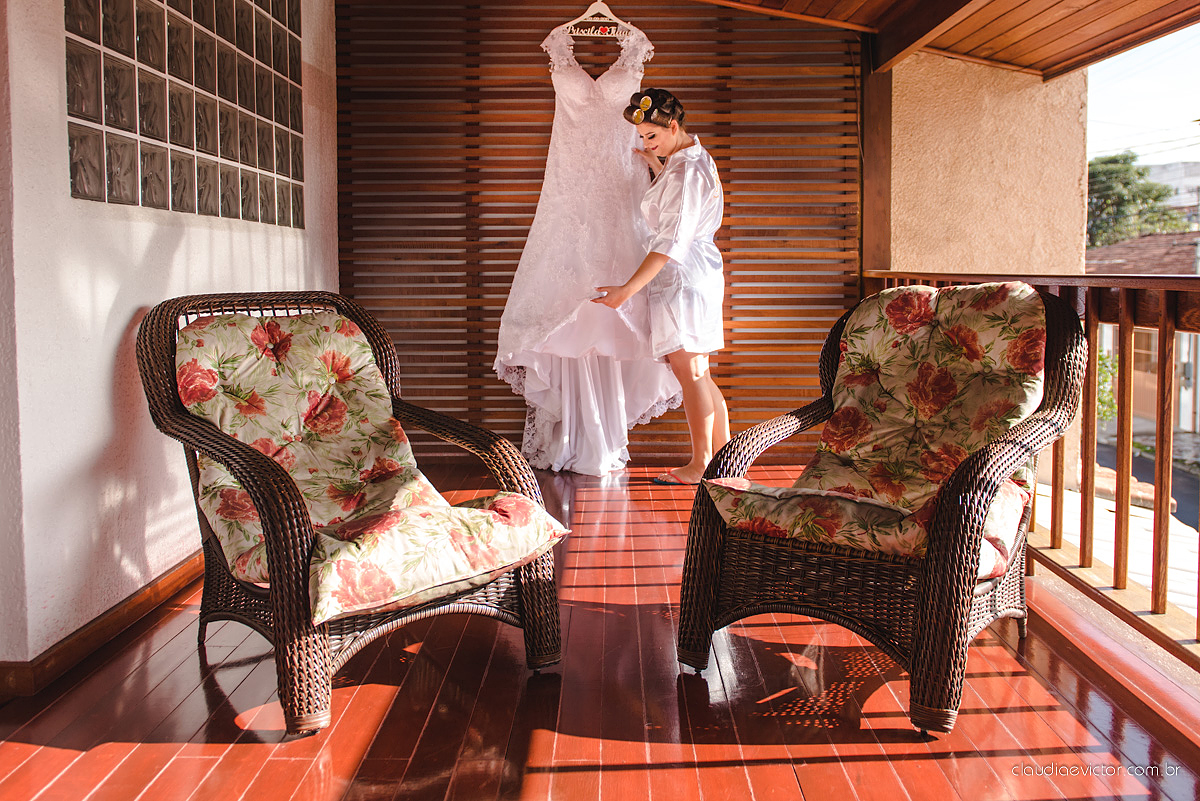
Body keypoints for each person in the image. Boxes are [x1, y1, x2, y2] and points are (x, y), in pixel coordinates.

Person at [593, 88, 730, 486]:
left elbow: (671, 240)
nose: (647, 143)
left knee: (692, 375)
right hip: (692, 273)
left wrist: (626, 290)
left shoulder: (687, 170)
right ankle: (726, 462)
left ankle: (701, 463)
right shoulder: (689, 158)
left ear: (673, 126)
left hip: (683, 277)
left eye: (652, 136)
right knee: (699, 375)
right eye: (642, 138)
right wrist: (657, 164)